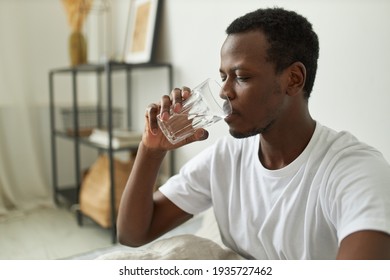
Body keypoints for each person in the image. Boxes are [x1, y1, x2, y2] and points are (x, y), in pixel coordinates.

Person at [116, 7, 390, 259]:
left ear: (293, 79)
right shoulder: (225, 160)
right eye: (223, 76)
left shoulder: (354, 169)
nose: (224, 91)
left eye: (242, 77)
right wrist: (151, 150)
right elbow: (132, 234)